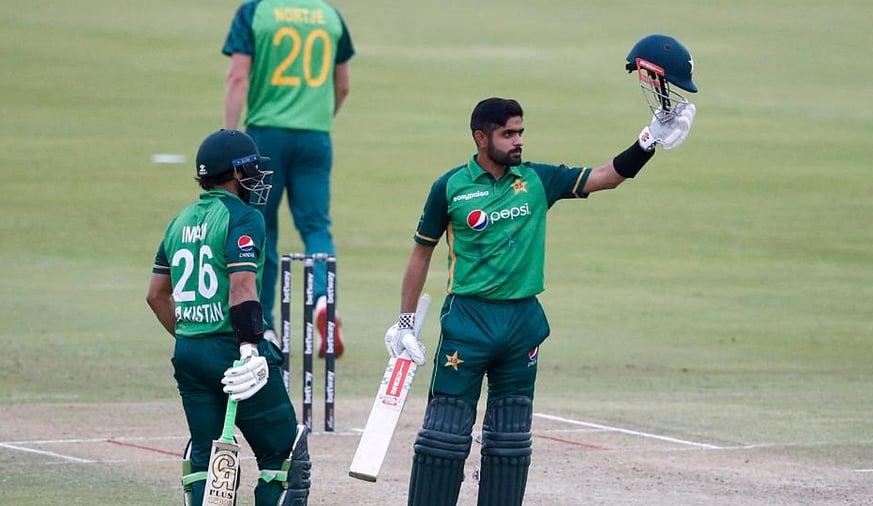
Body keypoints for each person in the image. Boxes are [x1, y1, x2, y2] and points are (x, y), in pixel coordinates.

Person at [383, 38, 697, 506]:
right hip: (468, 321)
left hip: (521, 323)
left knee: (510, 441)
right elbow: (420, 255)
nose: (518, 141)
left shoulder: (536, 180)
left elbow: (605, 176)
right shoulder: (449, 188)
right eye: (509, 134)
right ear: (481, 138)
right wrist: (406, 323)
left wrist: (648, 141)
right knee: (444, 437)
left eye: (521, 132)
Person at [146, 129, 312, 506]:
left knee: (206, 459)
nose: (255, 176)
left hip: (189, 352)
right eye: (251, 169)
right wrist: (250, 348)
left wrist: (191, 335)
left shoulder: (179, 221)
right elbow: (241, 287)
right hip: (235, 351)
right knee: (282, 456)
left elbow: (155, 295)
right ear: (235, 173)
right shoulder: (244, 217)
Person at [221, 0, 356, 358]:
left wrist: (229, 138)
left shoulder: (255, 12)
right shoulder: (329, 15)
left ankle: (264, 324)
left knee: (260, 228)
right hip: (315, 136)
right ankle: (325, 302)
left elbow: (238, 75)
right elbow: (342, 85)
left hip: (265, 136)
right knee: (316, 227)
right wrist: (319, 121)